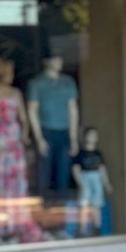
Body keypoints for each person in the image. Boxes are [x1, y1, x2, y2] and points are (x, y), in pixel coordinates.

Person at [0, 61, 31, 237]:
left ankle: (16, 223)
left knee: (16, 179)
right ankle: (0, 225)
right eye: (8, 71)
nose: (11, 74)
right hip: (1, 136)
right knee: (0, 179)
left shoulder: (16, 93)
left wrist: (25, 134)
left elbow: (23, 118)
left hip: (14, 137)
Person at [26, 54, 79, 197]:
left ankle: (61, 205)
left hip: (64, 130)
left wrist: (73, 137)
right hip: (46, 130)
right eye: (55, 59)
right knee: (44, 171)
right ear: (47, 61)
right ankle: (43, 205)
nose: (59, 62)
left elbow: (72, 110)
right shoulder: (37, 83)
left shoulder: (67, 82)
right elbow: (32, 111)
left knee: (63, 170)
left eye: (60, 59)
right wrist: (38, 138)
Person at [71, 126, 114, 237]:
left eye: (94, 135)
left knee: (96, 205)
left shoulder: (98, 154)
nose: (92, 138)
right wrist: (80, 183)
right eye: (90, 135)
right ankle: (82, 229)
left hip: (96, 179)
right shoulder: (80, 154)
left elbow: (102, 169)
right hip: (85, 177)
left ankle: (97, 228)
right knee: (84, 205)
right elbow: (75, 169)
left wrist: (107, 184)